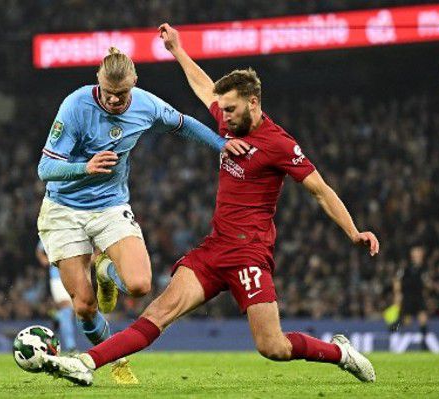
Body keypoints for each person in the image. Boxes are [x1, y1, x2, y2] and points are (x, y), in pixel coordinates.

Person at [43, 23, 380, 386]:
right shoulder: (230, 124)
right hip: (214, 249)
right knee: (158, 311)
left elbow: (320, 190)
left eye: (231, 109)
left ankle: (341, 352)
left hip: (249, 254)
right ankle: (86, 363)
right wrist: (177, 50)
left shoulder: (279, 144)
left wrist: (353, 231)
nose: (224, 117)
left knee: (273, 346)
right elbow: (205, 87)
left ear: (253, 103)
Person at [36, 46, 249, 383]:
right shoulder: (76, 105)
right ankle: (116, 362)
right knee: (84, 306)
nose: (115, 101)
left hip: (109, 206)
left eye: (122, 94)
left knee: (139, 285)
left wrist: (222, 145)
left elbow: (184, 124)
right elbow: (45, 168)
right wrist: (84, 168)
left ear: (134, 82)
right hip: (64, 210)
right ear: (98, 81)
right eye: (108, 93)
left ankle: (104, 270)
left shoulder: (147, 105)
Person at [36, 240, 77, 352]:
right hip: (58, 276)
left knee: (76, 311)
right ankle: (71, 347)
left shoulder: (77, 228)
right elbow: (39, 250)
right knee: (67, 309)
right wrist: (43, 259)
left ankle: (56, 317)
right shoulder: (53, 229)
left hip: (76, 276)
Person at [393, 245, 430, 350]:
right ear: (412, 256)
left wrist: (429, 286)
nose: (417, 256)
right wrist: (397, 293)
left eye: (419, 254)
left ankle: (424, 344)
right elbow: (397, 279)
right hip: (407, 296)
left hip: (418, 296)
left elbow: (427, 283)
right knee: (406, 321)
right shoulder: (406, 268)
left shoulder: (424, 268)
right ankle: (395, 325)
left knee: (423, 318)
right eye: (415, 254)